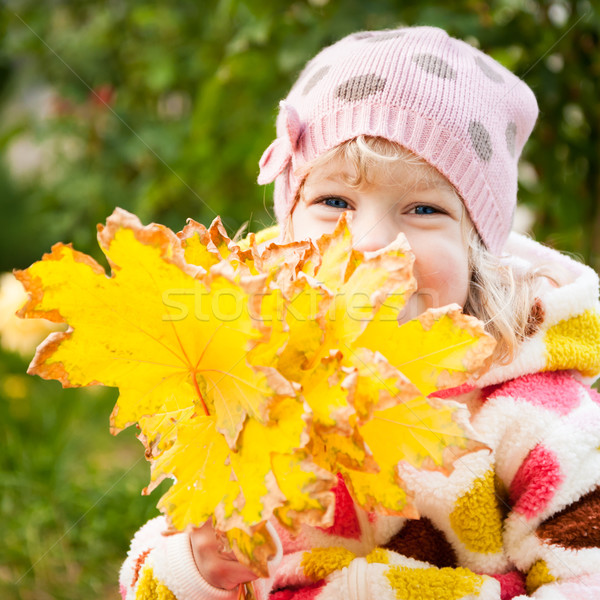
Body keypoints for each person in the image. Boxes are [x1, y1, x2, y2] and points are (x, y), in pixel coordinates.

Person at [119, 26, 600, 600]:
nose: (372, 242)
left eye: (424, 208)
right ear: (286, 234)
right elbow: (146, 573)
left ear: (478, 252)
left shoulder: (532, 411)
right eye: (335, 202)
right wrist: (195, 569)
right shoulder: (251, 387)